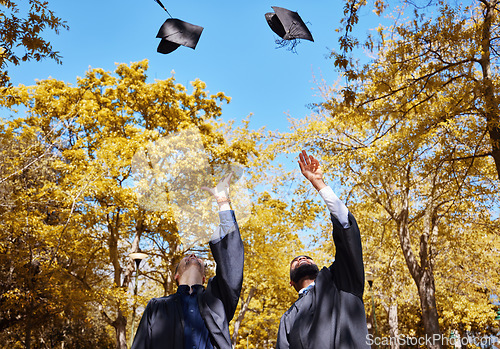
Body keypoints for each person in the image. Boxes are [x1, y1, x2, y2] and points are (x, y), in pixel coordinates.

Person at [131, 173, 244, 349]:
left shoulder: (218, 300)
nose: (193, 256)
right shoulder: (157, 307)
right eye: (186, 257)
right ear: (176, 275)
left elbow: (232, 260)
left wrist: (223, 201)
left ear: (206, 278)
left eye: (198, 257)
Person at [276, 150, 370, 349]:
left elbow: (347, 230)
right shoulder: (288, 318)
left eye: (307, 259)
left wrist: (319, 184)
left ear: (318, 270)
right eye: (296, 262)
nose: (302, 259)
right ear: (291, 282)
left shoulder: (342, 282)